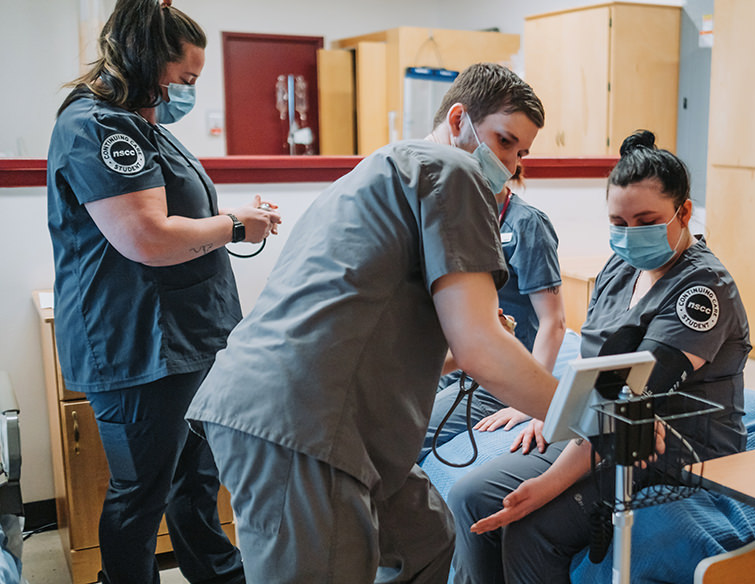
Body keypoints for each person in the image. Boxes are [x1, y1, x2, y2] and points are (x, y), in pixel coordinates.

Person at [185, 62, 560, 583]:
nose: (508, 165)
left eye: (520, 154)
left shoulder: (382, 168)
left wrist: (472, 339)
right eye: (503, 141)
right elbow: (480, 350)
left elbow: (385, 337)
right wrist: (587, 416)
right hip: (299, 421)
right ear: (459, 120)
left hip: (301, 407)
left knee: (427, 538)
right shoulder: (452, 171)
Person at [448, 130, 751, 583]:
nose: (629, 237)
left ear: (684, 212)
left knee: (531, 527)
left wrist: (548, 481)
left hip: (672, 444)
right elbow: (596, 362)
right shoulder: (620, 267)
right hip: (603, 428)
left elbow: (632, 392)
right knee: (469, 496)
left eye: (645, 221)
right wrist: (555, 410)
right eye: (618, 223)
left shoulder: (703, 291)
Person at [46, 1, 280, 582]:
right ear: (147, 61)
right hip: (136, 345)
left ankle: (218, 574)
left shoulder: (142, 121)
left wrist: (233, 216)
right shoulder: (97, 127)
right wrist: (234, 226)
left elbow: (174, 212)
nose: (189, 93)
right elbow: (146, 237)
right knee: (140, 491)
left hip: (190, 337)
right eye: (187, 80)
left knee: (195, 478)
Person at [420, 166, 565, 464]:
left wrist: (529, 399)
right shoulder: (455, 222)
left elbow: (555, 321)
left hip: (502, 369)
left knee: (407, 434)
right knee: (381, 417)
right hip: (455, 360)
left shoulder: (527, 224)